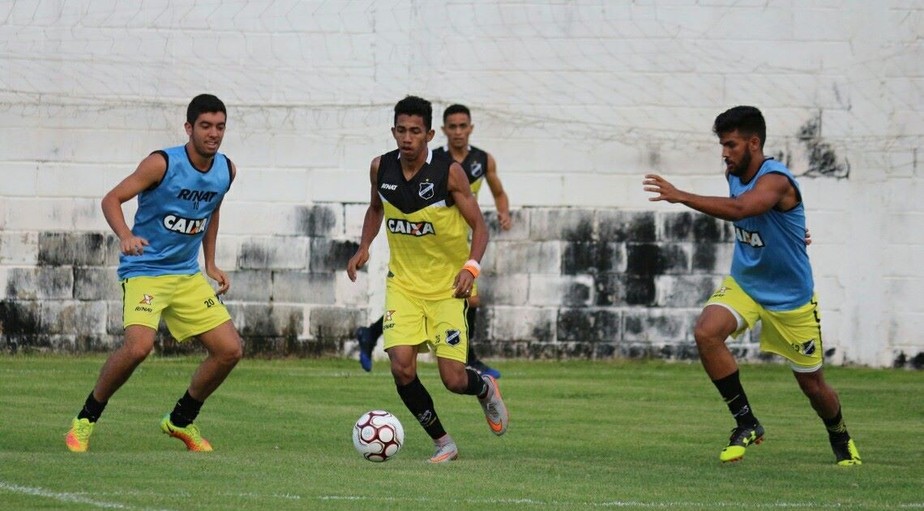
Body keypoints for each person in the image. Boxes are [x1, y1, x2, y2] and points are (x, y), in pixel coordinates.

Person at [642, 105, 861, 466]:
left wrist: (681, 195)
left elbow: (743, 208)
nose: (724, 153)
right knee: (706, 332)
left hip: (790, 299)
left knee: (813, 386)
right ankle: (746, 421)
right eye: (722, 146)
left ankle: (839, 435)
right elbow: (756, 215)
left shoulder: (776, 179)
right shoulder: (734, 172)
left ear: (754, 143)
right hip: (745, 284)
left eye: (730, 144)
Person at [65, 94, 244, 453]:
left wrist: (210, 263)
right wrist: (126, 236)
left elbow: (211, 211)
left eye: (220, 127)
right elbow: (111, 199)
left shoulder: (226, 169)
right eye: (205, 126)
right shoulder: (161, 164)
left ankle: (180, 420)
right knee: (138, 348)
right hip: (145, 270)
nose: (213, 134)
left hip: (186, 275)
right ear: (189, 128)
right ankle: (85, 418)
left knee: (230, 350)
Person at [347, 95, 509, 463]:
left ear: (429, 134)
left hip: (447, 288)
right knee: (402, 368)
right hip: (402, 286)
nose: (407, 138)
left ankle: (483, 387)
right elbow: (376, 208)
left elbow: (480, 227)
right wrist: (363, 247)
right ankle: (443, 442)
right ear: (393, 131)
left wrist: (470, 267)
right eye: (401, 131)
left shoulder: (449, 172)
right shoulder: (380, 168)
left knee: (453, 379)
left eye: (415, 132)